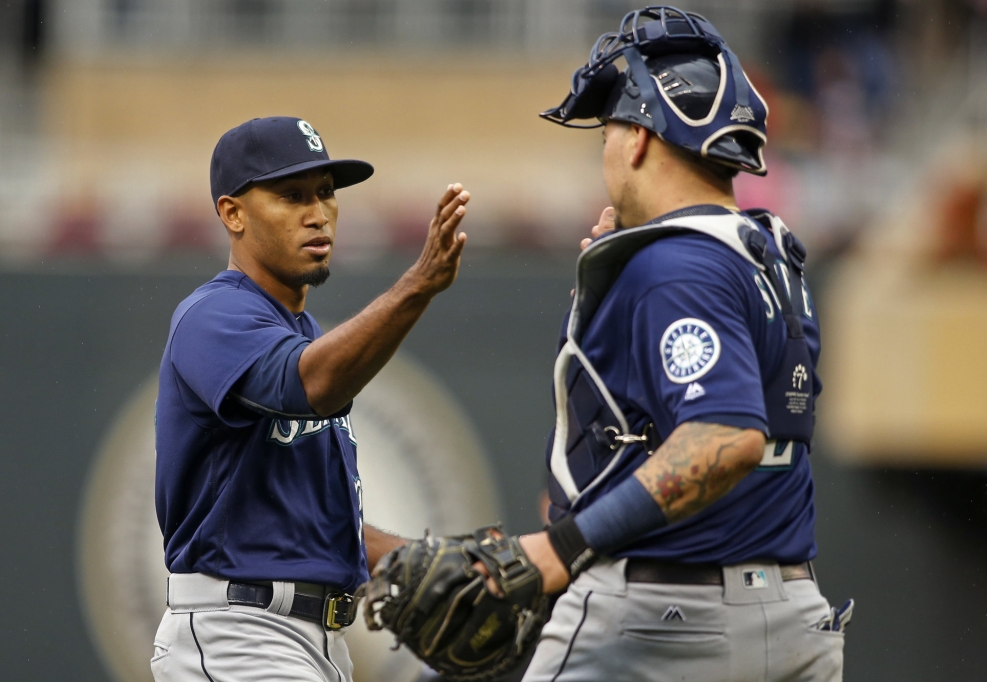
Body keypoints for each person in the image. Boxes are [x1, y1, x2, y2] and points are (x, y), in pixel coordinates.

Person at [511, 8, 852, 681]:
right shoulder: (766, 255)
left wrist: (561, 548)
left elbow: (725, 437)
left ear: (638, 136)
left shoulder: (676, 265)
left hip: (667, 619)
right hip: (793, 614)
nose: (606, 147)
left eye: (610, 128)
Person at [150, 116, 469, 682]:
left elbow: (315, 525)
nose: (317, 213)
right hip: (238, 632)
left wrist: (434, 561)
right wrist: (417, 283)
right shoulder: (212, 317)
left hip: (310, 639)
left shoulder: (302, 333)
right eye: (291, 195)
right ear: (233, 213)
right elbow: (309, 386)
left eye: (325, 193)